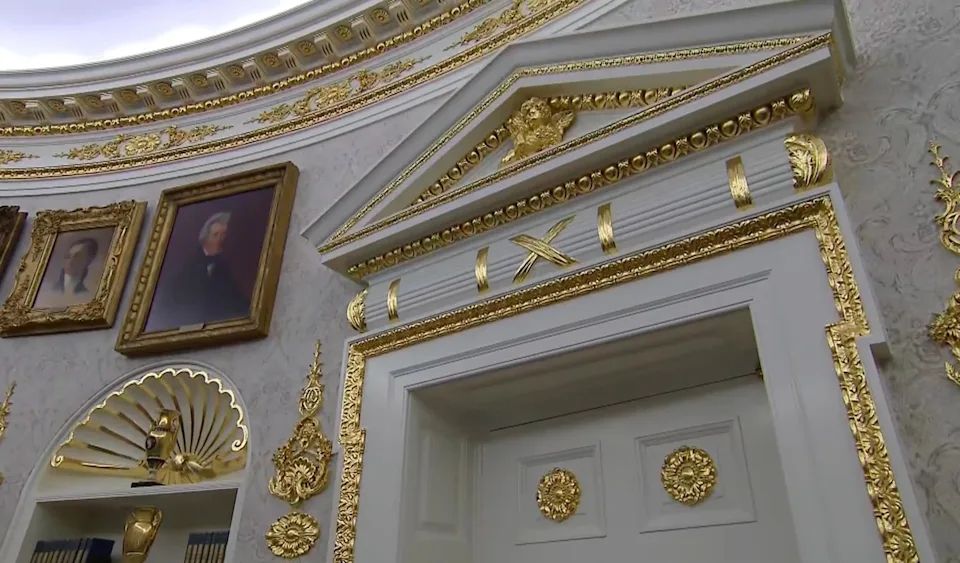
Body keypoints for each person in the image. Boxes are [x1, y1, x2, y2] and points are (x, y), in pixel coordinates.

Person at [152, 211, 250, 330]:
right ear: (205, 238)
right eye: (216, 235)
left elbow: (236, 299)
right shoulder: (187, 268)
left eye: (223, 235)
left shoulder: (224, 268)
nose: (220, 239)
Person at [34, 237, 100, 308]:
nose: (70, 261)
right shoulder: (47, 291)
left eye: (77, 256)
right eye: (69, 256)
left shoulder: (89, 296)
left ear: (88, 260)